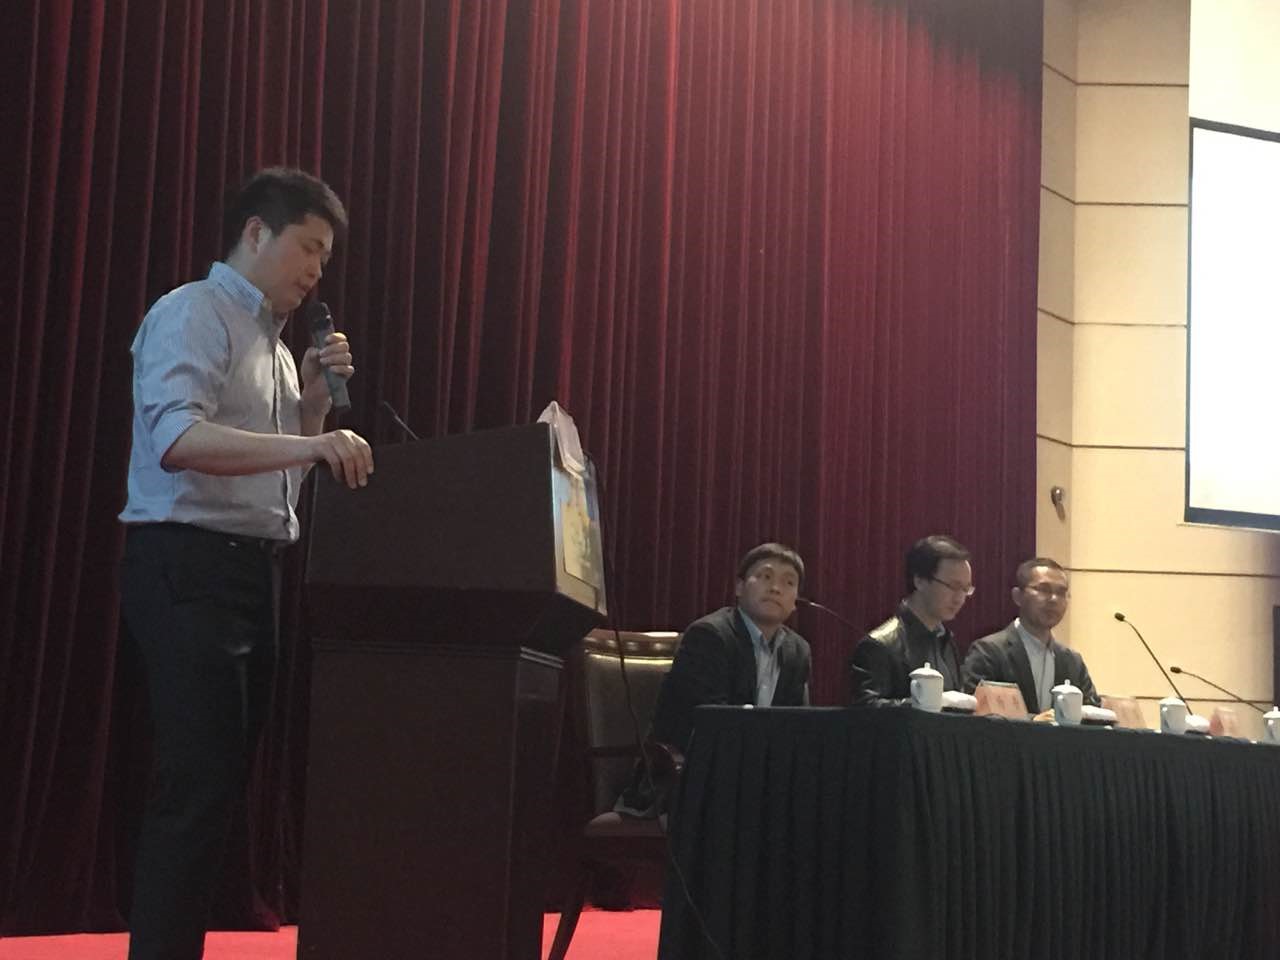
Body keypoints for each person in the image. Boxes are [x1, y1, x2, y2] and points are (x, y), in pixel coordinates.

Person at [118, 167, 374, 960]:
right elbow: (178, 440)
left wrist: (314, 408)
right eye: (309, 247)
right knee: (195, 788)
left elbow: (277, 484)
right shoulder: (193, 312)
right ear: (257, 232)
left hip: (252, 574)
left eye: (326, 258)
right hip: (186, 563)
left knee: (219, 787)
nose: (316, 270)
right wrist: (313, 444)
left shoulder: (282, 352)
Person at [616, 542, 812, 817]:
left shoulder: (798, 651)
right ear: (739, 587)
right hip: (688, 776)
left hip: (756, 780)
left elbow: (799, 723)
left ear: (795, 601)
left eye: (788, 582)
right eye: (765, 576)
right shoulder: (709, 636)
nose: (776, 588)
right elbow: (711, 724)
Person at [961, 557, 1099, 714]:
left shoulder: (1072, 662)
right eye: (1044, 590)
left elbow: (1092, 715)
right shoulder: (989, 652)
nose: (1054, 599)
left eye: (1061, 593)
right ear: (1017, 596)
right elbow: (974, 715)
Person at [849, 534, 972, 707]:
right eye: (953, 586)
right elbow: (865, 710)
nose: (960, 598)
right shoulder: (880, 645)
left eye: (966, 589)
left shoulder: (945, 641)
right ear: (919, 581)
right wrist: (926, 703)